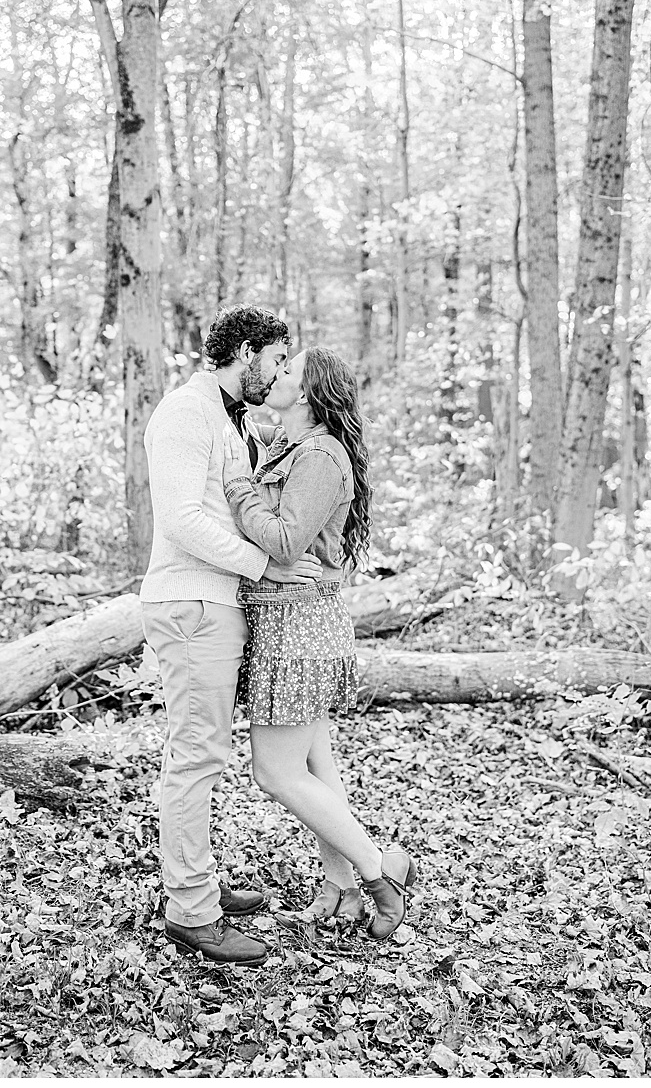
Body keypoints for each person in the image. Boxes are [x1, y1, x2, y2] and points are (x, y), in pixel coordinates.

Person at [139, 305, 322, 968]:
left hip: (218, 604)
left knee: (206, 754)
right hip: (191, 604)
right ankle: (191, 911)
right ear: (246, 351)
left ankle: (200, 883)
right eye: (276, 358)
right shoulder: (186, 413)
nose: (279, 372)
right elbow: (182, 519)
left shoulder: (231, 418)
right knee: (195, 757)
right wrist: (264, 564)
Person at [222, 345, 418, 940]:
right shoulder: (295, 446)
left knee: (274, 772)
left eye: (287, 370)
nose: (275, 374)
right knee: (315, 764)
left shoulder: (321, 456)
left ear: (307, 394)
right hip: (291, 622)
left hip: (299, 627)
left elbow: (285, 542)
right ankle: (341, 887)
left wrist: (238, 488)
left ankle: (379, 872)